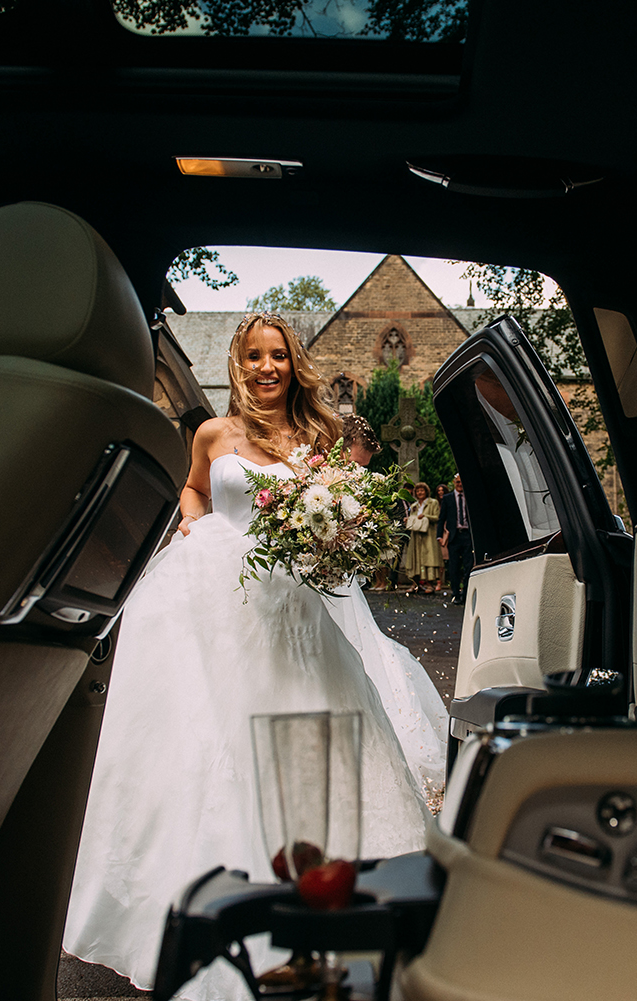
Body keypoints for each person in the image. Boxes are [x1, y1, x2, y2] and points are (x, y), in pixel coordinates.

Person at [64, 313, 442, 1000]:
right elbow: (195, 488)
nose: (267, 368)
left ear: (292, 364)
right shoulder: (213, 433)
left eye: (278, 357)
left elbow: (340, 507)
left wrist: (338, 532)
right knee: (204, 736)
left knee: (301, 735)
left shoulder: (318, 436)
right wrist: (191, 520)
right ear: (240, 364)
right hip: (213, 593)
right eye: (255, 357)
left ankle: (312, 904)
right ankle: (196, 899)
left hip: (290, 604)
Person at [399, 482, 442, 594]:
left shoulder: (433, 503)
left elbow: (437, 517)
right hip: (416, 536)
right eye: (418, 491)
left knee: (428, 559)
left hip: (428, 535)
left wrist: (425, 516)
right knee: (415, 559)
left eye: (422, 490)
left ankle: (430, 584)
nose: (420, 493)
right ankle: (415, 584)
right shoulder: (414, 506)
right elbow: (413, 518)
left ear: (426, 491)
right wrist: (407, 520)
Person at [440, 473, 473, 606]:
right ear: (454, 483)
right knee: (454, 567)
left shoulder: (469, 497)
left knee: (468, 566)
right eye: (458, 482)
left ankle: (466, 594)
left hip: (467, 535)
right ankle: (456, 593)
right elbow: (442, 517)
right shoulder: (448, 498)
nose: (460, 484)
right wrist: (440, 536)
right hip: (454, 535)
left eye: (461, 482)